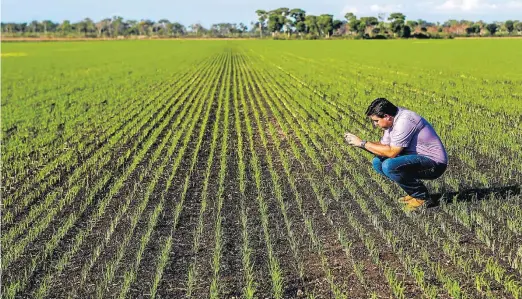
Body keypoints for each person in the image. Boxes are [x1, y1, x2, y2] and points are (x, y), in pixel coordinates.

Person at [344, 98, 448, 211]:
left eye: (376, 121)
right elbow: (384, 146)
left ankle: (421, 197)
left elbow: (391, 152)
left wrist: (362, 143)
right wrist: (360, 144)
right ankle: (413, 192)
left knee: (389, 165)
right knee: (378, 162)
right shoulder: (392, 121)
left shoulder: (404, 122)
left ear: (387, 116)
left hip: (435, 164)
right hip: (416, 159)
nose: (375, 124)